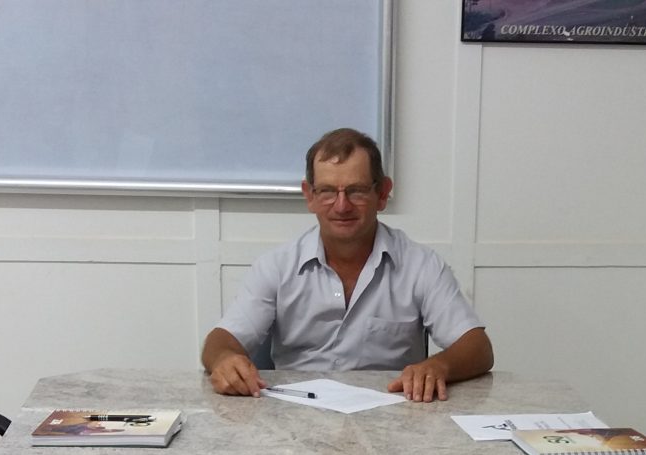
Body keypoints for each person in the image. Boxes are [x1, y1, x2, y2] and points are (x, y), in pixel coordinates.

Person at [201, 128, 494, 402]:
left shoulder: (421, 265)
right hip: (295, 417)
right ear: (309, 196)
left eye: (356, 191)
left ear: (382, 194)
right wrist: (224, 359)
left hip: (391, 414)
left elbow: (478, 348)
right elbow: (220, 341)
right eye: (327, 191)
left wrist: (439, 366)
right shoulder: (276, 267)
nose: (342, 206)